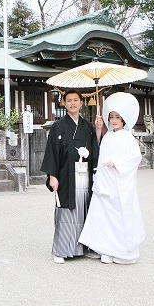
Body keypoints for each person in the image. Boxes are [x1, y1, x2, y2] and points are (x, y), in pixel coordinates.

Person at [79, 92, 144, 265]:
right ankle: (106, 249)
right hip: (105, 181)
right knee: (104, 216)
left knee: (119, 216)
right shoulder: (108, 136)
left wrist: (116, 163)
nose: (114, 120)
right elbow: (98, 150)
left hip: (119, 183)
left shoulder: (128, 138)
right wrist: (99, 129)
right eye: (111, 117)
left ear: (124, 120)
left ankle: (124, 252)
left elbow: (135, 158)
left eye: (117, 117)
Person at [41, 89, 102, 264]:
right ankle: (61, 250)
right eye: (69, 100)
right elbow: (52, 152)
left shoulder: (87, 126)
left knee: (84, 209)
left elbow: (95, 150)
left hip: (84, 175)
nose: (73, 103)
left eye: (76, 100)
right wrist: (52, 176)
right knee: (66, 211)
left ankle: (84, 247)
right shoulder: (58, 127)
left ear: (81, 103)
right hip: (66, 176)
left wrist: (98, 130)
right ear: (64, 103)